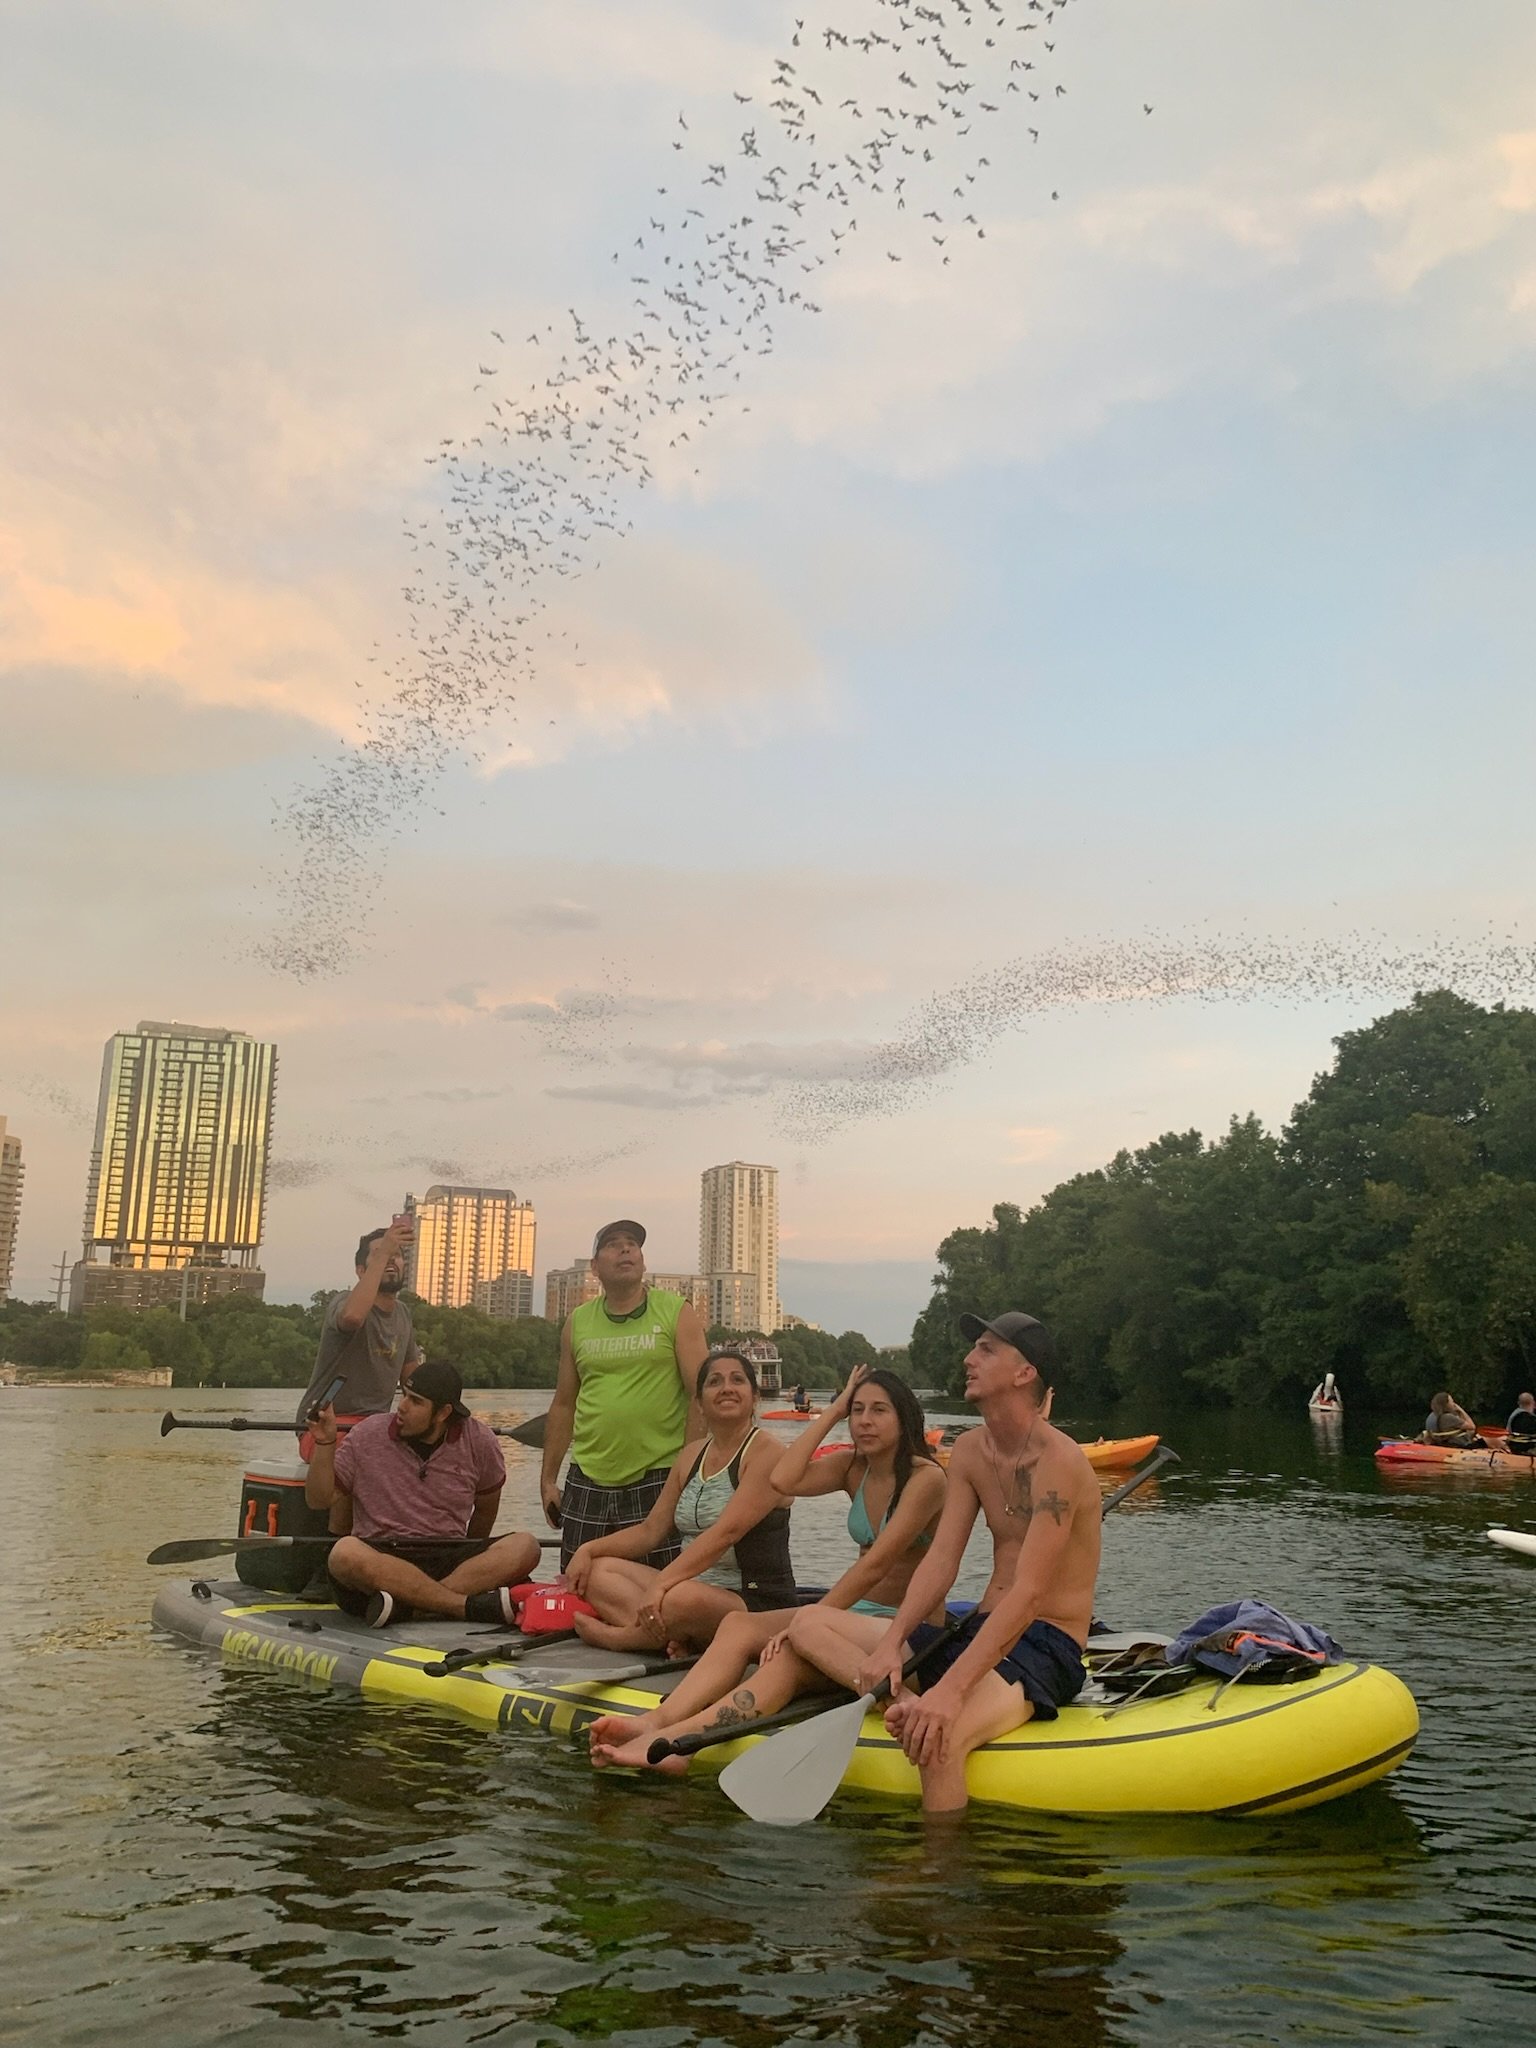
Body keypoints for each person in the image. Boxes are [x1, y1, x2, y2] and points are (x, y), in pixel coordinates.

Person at [765, 1311, 1099, 1816]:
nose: (968, 1358)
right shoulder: (968, 1451)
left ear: (1025, 1372)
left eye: (986, 1349)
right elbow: (941, 1560)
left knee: (936, 1743)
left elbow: (1029, 1594)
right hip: (979, 1629)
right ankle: (898, 1702)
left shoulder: (1060, 1463)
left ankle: (935, 1884)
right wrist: (895, 1641)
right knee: (809, 1622)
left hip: (1044, 1644)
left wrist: (948, 1693)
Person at [586, 1362, 946, 1770]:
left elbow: (875, 1567)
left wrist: (806, 1621)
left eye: (879, 1410)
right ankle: (659, 1722)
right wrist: (832, 1411)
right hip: (851, 1619)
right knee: (739, 1627)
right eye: (857, 1410)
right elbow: (784, 1479)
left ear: (905, 1416)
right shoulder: (852, 1467)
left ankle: (679, 1744)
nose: (864, 1421)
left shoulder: (927, 1479)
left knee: (790, 1656)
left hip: (905, 1629)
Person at [563, 1347, 796, 1653]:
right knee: (596, 1571)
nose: (726, 1388)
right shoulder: (691, 1455)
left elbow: (726, 1533)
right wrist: (588, 1549)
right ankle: (677, 1635)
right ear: (699, 1404)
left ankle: (626, 1639)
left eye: (737, 1380)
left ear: (755, 1397)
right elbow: (651, 1531)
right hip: (688, 1588)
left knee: (679, 1598)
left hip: (753, 1600)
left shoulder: (768, 1452)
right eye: (714, 1382)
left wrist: (662, 1584)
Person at [305, 1359, 541, 1627]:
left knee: (526, 1546)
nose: (402, 1407)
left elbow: (486, 1509)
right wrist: (325, 1442)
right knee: (344, 1553)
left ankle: (411, 1607)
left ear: (443, 1413)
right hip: (383, 1556)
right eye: (404, 1395)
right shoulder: (367, 1434)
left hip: (447, 1555)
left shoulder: (479, 1440)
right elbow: (318, 1500)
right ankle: (461, 1606)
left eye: (416, 1402)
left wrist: (471, 1556)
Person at [541, 1220, 709, 1570]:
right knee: (580, 1582)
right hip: (588, 1475)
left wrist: (688, 1469)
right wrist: (547, 1479)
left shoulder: (677, 1312)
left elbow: (700, 1395)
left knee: (657, 1587)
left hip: (660, 1474)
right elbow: (563, 1404)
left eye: (632, 1243)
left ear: (643, 1260)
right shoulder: (578, 1321)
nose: (625, 1249)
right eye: (613, 1244)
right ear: (595, 1266)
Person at [294, 1219, 421, 1428]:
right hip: (327, 1423)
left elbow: (413, 1379)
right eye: (380, 1254)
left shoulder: (403, 1314)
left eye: (395, 1255)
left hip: (376, 1426)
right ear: (361, 1271)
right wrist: (384, 1253)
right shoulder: (344, 1301)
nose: (390, 1259)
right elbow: (352, 1318)